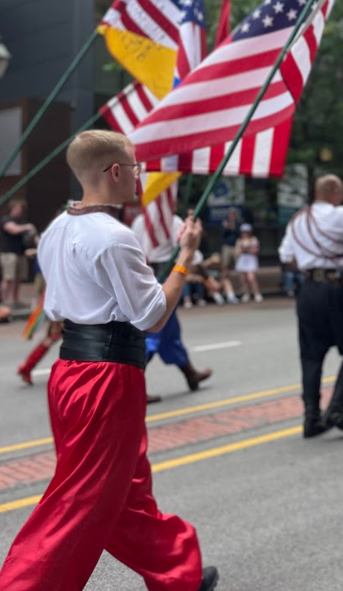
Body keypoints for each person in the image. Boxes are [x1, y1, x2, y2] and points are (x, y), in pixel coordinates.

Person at [0, 130, 217, 591]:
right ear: (115, 171)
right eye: (135, 168)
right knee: (83, 496)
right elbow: (153, 315)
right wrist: (184, 257)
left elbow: (58, 308)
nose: (139, 177)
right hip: (107, 375)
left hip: (71, 370)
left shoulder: (59, 226)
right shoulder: (114, 238)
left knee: (125, 486)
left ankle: (177, 574)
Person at [279, 174, 343, 438]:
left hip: (308, 290)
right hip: (334, 289)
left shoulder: (297, 219)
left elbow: (285, 255)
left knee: (311, 357)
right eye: (341, 192)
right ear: (333, 191)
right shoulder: (341, 214)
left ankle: (311, 417)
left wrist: (311, 260)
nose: (342, 198)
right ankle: (336, 408)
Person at [131, 214, 212, 398]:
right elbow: (194, 257)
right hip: (167, 277)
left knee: (170, 332)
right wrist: (207, 279)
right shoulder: (171, 220)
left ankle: (190, 373)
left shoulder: (139, 221)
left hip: (148, 277)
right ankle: (134, 388)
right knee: (154, 334)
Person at [2, 200, 38, 308]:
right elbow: (12, 229)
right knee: (8, 278)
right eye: (17, 208)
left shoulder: (22, 221)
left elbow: (34, 237)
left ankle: (15, 301)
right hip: (9, 254)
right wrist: (27, 227)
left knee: (18, 279)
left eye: (20, 209)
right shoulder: (6, 219)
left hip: (21, 254)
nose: (19, 211)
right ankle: (3, 302)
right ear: (11, 208)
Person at [234, 224, 262, 302]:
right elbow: (237, 252)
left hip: (251, 259)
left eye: (246, 232)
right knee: (243, 279)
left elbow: (255, 251)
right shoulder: (239, 240)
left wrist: (246, 249)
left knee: (251, 278)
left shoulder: (254, 239)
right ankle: (246, 294)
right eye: (243, 232)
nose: (245, 233)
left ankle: (257, 294)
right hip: (242, 260)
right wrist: (244, 249)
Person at [219, 209, 240, 304]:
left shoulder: (239, 223)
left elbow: (240, 234)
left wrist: (233, 227)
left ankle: (239, 287)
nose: (232, 216)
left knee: (239, 266)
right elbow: (222, 234)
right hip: (227, 246)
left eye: (233, 214)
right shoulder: (225, 222)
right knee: (225, 267)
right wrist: (227, 228)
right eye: (230, 214)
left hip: (236, 246)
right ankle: (225, 288)